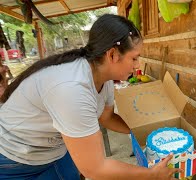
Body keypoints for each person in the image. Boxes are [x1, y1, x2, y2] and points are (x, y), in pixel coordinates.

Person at [0, 14, 181, 180]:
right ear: (112, 55)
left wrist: (148, 131)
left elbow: (106, 117)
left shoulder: (103, 76)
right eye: (134, 58)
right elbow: (95, 169)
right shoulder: (72, 89)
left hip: (53, 149)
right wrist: (152, 174)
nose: (138, 65)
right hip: (16, 158)